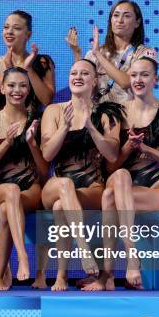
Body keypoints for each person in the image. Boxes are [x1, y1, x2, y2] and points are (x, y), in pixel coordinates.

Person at [103, 57, 159, 289]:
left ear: (155, 79)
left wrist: (147, 149)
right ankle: (132, 259)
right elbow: (111, 166)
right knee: (120, 177)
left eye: (144, 75)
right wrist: (128, 147)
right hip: (125, 184)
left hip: (154, 187)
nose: (138, 80)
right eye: (133, 75)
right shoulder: (117, 114)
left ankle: (107, 276)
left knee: (109, 199)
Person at [37, 59, 124, 291]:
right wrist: (65, 127)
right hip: (57, 185)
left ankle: (61, 276)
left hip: (91, 188)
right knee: (64, 184)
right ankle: (83, 249)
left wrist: (91, 127)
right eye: (73, 72)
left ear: (95, 81)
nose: (77, 77)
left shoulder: (107, 113)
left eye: (85, 73)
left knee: (60, 208)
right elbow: (47, 155)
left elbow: (113, 155)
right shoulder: (54, 111)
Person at [0, 67, 48, 290]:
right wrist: (6, 143)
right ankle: (23, 257)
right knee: (10, 193)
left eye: (22, 86)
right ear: (2, 88)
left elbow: (45, 170)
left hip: (31, 190)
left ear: (29, 90)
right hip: (1, 189)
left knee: (10, 206)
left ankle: (0, 273)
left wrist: (32, 145)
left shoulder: (36, 121)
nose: (16, 90)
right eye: (11, 85)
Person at [66, 0, 156, 104]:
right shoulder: (94, 53)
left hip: (130, 115)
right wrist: (77, 53)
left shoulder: (144, 53)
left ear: (137, 22)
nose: (120, 20)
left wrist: (99, 55)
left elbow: (126, 82)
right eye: (116, 15)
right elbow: (82, 85)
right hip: (98, 115)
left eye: (127, 16)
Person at [0, 10, 55, 114]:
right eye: (6, 27)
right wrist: (9, 73)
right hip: (0, 127)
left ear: (28, 34)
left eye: (16, 28)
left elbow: (47, 100)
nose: (9, 31)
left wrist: (29, 69)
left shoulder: (42, 62)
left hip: (32, 126)